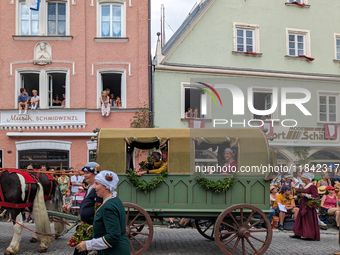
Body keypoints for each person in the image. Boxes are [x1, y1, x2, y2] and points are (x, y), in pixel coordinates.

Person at [75, 170, 130, 255]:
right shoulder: (115, 200)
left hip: (115, 251)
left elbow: (113, 236)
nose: (94, 187)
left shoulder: (108, 207)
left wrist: (88, 245)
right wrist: (97, 226)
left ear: (106, 186)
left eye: (97, 184)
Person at [290, 172, 320, 241]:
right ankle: (298, 233)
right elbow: (301, 194)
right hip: (303, 204)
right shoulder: (304, 186)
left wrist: (306, 195)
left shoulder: (312, 186)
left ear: (308, 179)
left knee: (308, 220)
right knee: (300, 219)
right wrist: (294, 197)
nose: (302, 179)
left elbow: (316, 196)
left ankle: (309, 235)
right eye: (302, 178)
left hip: (308, 206)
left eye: (304, 178)